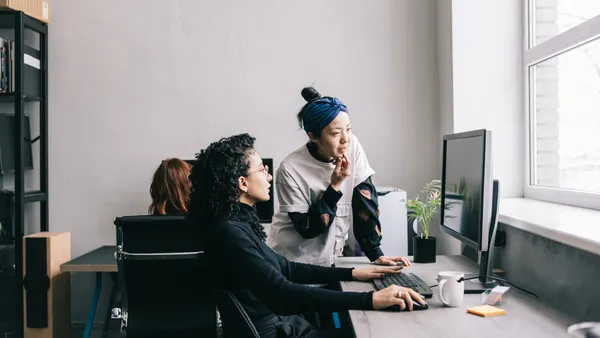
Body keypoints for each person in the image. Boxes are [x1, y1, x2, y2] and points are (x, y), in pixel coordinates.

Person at [187, 133, 425, 338]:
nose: (269, 177)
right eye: (263, 170)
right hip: (281, 332)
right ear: (242, 183)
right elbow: (282, 294)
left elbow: (288, 269)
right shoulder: (228, 233)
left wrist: (354, 273)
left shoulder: (238, 225)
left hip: (286, 327)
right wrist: (370, 300)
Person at [268, 87, 411, 268]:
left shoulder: (352, 146)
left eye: (349, 129)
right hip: (294, 264)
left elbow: (364, 202)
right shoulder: (290, 169)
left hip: (332, 263)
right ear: (313, 136)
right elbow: (308, 228)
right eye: (335, 133)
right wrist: (334, 186)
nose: (346, 139)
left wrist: (376, 253)